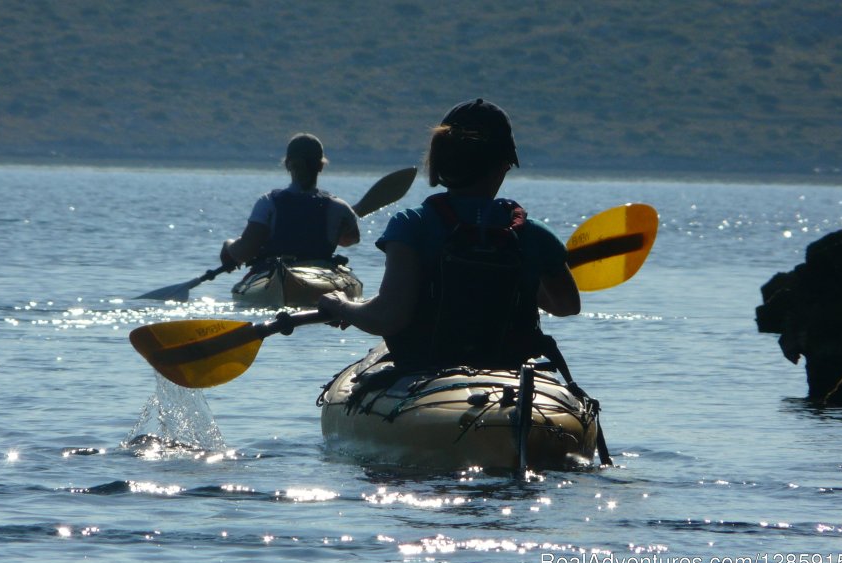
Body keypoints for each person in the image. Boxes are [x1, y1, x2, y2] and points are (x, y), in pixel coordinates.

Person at [318, 98, 580, 368]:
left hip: (426, 372)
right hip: (507, 375)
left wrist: (340, 305)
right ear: (504, 164)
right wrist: (519, 275)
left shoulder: (412, 225)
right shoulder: (534, 234)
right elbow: (566, 306)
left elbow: (388, 316)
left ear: (439, 162)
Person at [220, 133, 360, 269]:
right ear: (321, 165)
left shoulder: (268, 202)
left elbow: (244, 252)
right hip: (320, 279)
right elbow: (351, 239)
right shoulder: (340, 208)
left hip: (275, 277)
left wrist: (228, 245)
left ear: (287, 164)